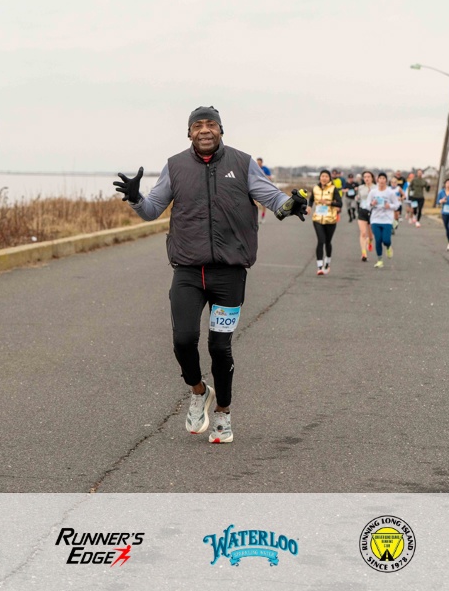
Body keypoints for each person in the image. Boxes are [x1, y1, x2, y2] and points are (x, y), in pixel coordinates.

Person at [113, 106, 307, 444]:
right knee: (183, 340)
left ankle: (223, 413)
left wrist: (290, 205)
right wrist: (135, 197)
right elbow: (151, 210)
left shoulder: (243, 163)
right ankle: (199, 391)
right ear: (189, 133)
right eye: (198, 125)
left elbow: (273, 198)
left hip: (229, 274)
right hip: (188, 271)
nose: (205, 130)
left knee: (220, 348)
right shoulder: (175, 166)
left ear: (221, 130)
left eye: (211, 124)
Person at [307, 170, 342, 275]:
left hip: (330, 219)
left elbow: (340, 203)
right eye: (322, 176)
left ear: (329, 178)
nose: (324, 178)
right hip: (317, 219)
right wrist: (309, 207)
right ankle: (319, 267)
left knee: (327, 242)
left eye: (326, 176)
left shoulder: (333, 189)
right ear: (320, 177)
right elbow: (311, 199)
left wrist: (329, 202)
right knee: (321, 240)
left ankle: (327, 261)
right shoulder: (315, 188)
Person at [368, 172, 401, 268]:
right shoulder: (373, 192)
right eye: (380, 178)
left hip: (387, 219)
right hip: (375, 219)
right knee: (378, 240)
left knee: (386, 240)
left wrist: (389, 206)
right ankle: (379, 260)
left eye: (383, 178)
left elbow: (397, 205)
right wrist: (372, 204)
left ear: (386, 180)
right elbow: (367, 205)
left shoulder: (390, 192)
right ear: (377, 180)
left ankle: (388, 246)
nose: (382, 180)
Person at [356, 171, 374, 262]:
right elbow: (358, 198)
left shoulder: (376, 188)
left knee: (371, 235)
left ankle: (369, 241)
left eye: (368, 176)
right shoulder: (360, 188)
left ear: (372, 178)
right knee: (363, 233)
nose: (367, 178)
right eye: (365, 177)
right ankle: (364, 253)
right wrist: (357, 198)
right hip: (362, 211)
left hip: (373, 212)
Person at [256, 157, 273, 224]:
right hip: (256, 188)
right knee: (254, 203)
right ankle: (255, 218)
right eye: (257, 163)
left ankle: (263, 217)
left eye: (259, 163)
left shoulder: (265, 169)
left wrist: (263, 176)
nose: (258, 164)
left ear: (261, 163)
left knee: (264, 204)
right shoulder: (255, 168)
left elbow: (270, 177)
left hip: (264, 188)